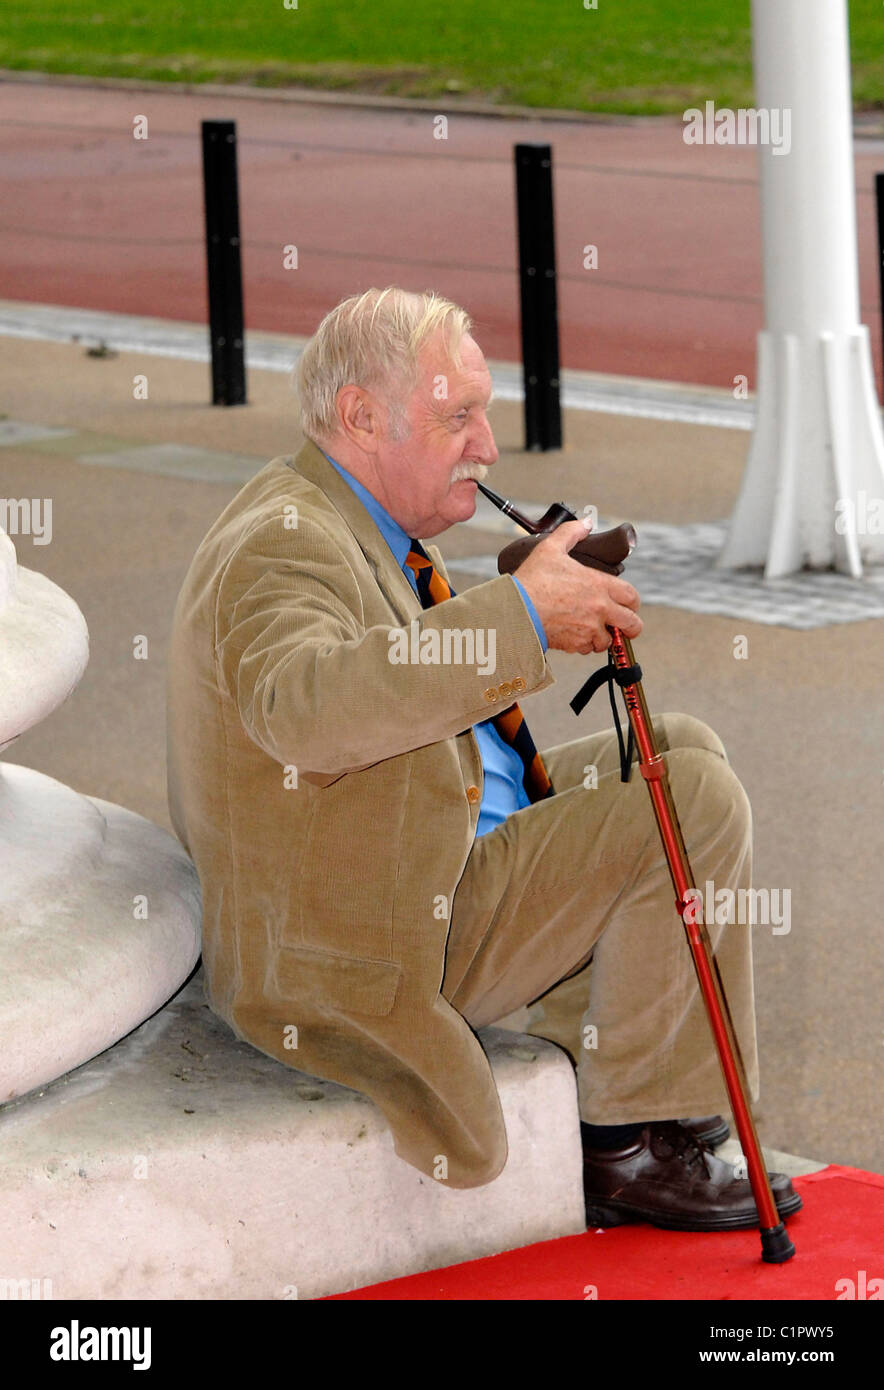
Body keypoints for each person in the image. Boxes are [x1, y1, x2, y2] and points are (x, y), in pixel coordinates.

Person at [166, 286, 800, 1232]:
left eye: (483, 412)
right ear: (361, 417)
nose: (488, 445)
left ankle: (655, 1092)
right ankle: (624, 1142)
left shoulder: (345, 520)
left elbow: (381, 661)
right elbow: (304, 708)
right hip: (368, 940)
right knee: (692, 800)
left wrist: (509, 594)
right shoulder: (281, 545)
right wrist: (522, 618)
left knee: (680, 750)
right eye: (456, 416)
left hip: (418, 860)